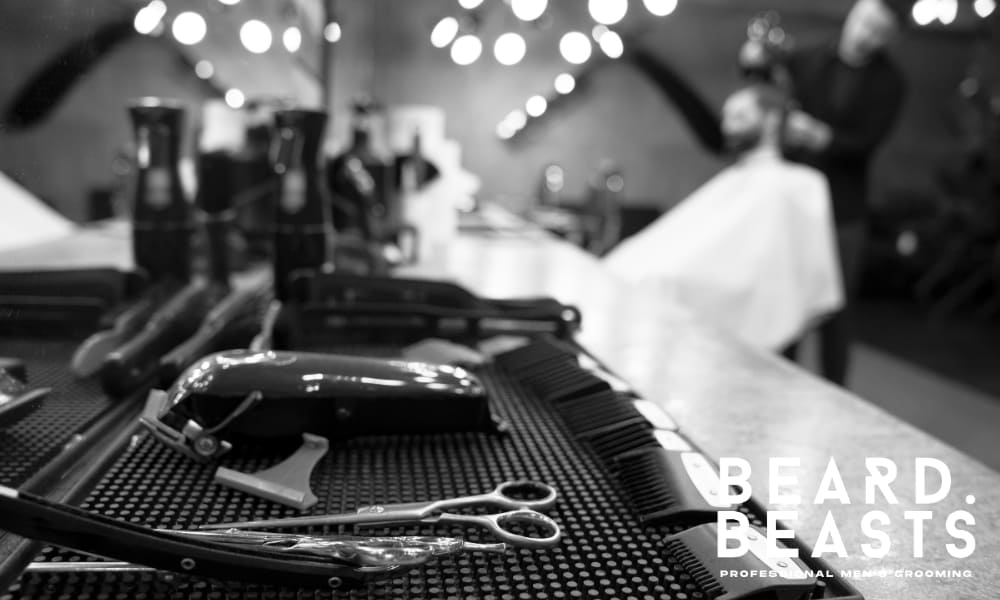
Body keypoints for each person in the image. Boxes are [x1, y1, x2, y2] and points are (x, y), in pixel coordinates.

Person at [604, 84, 843, 351]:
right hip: (691, 277)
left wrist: (668, 273)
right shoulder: (736, 179)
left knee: (656, 280)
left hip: (741, 290)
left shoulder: (798, 184)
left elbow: (776, 269)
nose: (728, 127)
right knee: (624, 265)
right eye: (727, 118)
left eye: (740, 117)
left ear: (771, 121)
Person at [769, 0, 909, 385]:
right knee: (788, 303)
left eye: (878, 31)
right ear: (853, 13)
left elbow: (865, 143)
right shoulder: (806, 59)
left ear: (890, 37)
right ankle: (778, 385)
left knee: (837, 310)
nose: (866, 35)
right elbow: (768, 99)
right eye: (864, 22)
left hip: (843, 208)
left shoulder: (890, 83)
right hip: (795, 202)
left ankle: (835, 396)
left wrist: (821, 137)